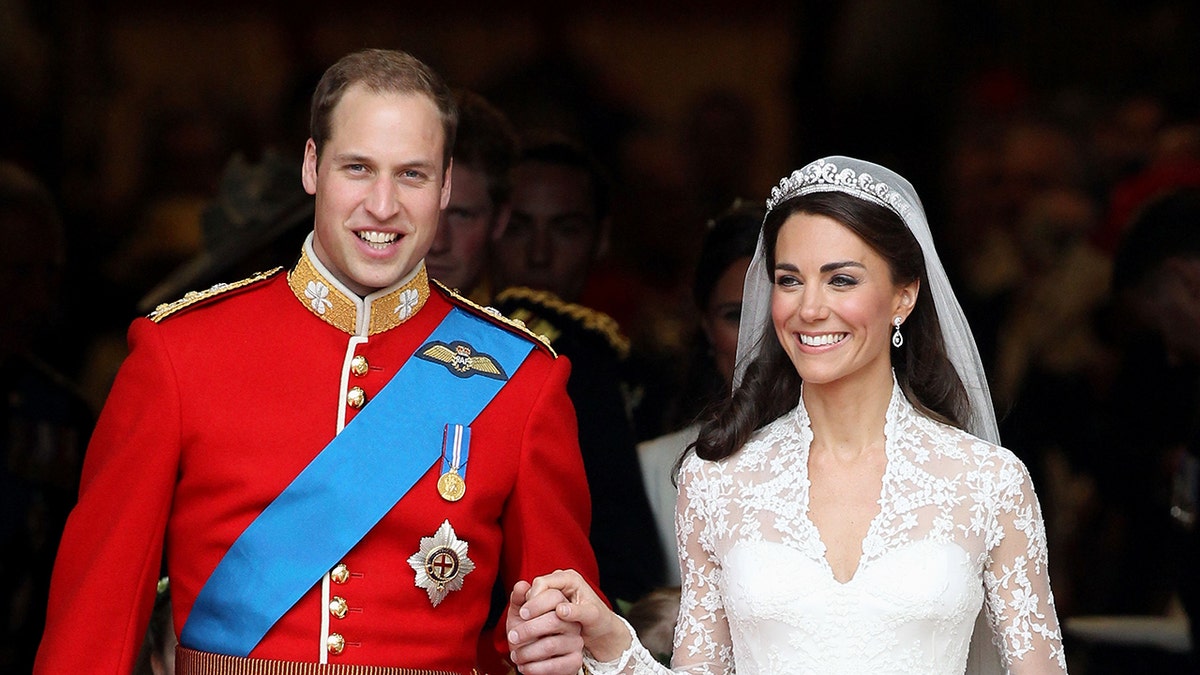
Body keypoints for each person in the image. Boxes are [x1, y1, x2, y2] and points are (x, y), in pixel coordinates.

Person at [35, 48, 599, 674]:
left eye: (411, 175)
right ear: (311, 167)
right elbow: (93, 628)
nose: (382, 206)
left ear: (444, 188)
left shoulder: (521, 380)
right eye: (358, 168)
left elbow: (564, 633)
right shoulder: (179, 354)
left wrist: (545, 649)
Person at [506, 156, 1068, 674]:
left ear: (904, 295)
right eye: (790, 279)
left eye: (841, 279)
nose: (810, 307)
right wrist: (609, 640)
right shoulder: (717, 479)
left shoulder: (988, 481)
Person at [636, 200, 762, 586]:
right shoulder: (654, 467)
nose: (755, 338)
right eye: (735, 316)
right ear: (706, 326)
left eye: (772, 310)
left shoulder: (860, 457)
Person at [425, 89, 517, 304]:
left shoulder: (529, 336)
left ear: (500, 220)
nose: (438, 243)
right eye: (426, 211)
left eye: (462, 215)